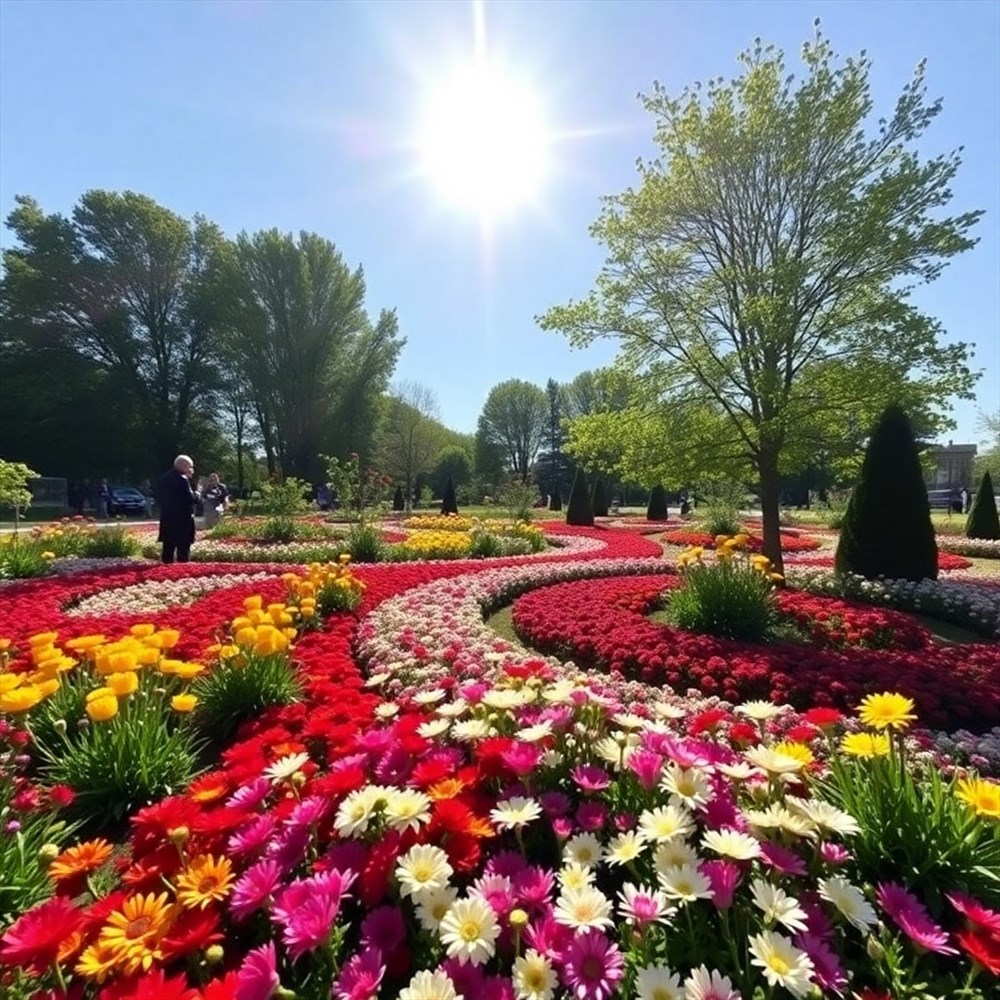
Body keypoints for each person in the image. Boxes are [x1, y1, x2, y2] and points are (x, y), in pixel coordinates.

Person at [158, 454, 198, 563]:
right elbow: (190, 499)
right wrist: (197, 493)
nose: (191, 470)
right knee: (183, 549)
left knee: (168, 548)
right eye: (190, 467)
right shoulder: (182, 479)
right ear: (183, 466)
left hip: (167, 518)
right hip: (182, 520)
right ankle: (181, 571)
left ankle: (165, 570)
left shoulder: (163, 478)